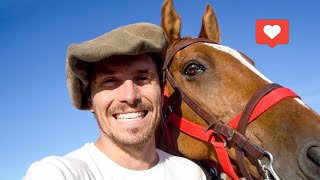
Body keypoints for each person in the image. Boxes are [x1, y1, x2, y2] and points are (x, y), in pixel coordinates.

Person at [23, 23, 207, 180]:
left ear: (161, 92)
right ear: (90, 102)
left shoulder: (189, 173)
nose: (130, 96)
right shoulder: (58, 173)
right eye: (109, 81)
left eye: (142, 78)